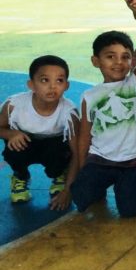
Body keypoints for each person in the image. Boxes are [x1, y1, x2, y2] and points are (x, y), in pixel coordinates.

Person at [70, 0, 136, 219]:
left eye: (125, 56)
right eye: (110, 56)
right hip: (102, 159)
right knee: (80, 196)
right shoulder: (90, 96)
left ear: (132, 60)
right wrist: (82, 169)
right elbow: (85, 137)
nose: (119, 62)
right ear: (95, 61)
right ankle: (99, 184)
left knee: (131, 211)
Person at [0, 55, 78, 209]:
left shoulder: (69, 112)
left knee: (61, 151)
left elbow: (77, 153)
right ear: (31, 84)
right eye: (44, 80)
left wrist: (69, 190)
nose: (52, 87)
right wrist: (10, 134)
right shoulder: (14, 105)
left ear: (67, 86)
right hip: (25, 144)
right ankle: (20, 175)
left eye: (59, 81)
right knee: (14, 147)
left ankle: (59, 174)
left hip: (53, 147)